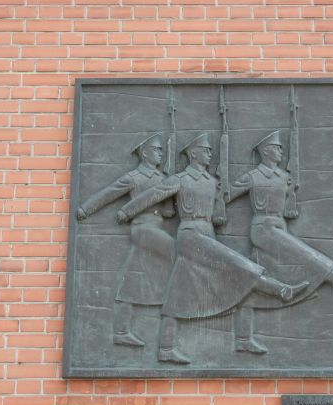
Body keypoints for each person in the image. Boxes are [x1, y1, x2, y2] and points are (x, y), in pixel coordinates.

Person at [117, 132, 309, 364]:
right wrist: (126, 211)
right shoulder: (180, 179)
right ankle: (280, 289)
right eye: (205, 151)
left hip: (207, 232)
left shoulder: (211, 182)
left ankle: (166, 348)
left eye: (210, 151)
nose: (210, 154)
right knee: (236, 264)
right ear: (193, 154)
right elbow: (153, 195)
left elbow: (226, 201)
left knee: (179, 291)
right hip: (190, 235)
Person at [225, 130, 333, 353]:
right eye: (277, 148)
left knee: (253, 283)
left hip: (280, 226)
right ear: (266, 152)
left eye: (281, 148)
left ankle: (242, 339)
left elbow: (289, 208)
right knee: (308, 256)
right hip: (263, 229)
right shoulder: (253, 176)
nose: (281, 151)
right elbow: (226, 196)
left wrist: (291, 190)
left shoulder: (283, 177)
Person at [76, 133, 176, 348]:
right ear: (145, 153)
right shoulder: (134, 177)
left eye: (161, 150)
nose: (161, 153)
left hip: (155, 229)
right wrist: (86, 209)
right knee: (178, 253)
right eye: (157, 150)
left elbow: (168, 213)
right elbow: (109, 193)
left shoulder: (162, 177)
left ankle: (121, 331)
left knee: (131, 280)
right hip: (143, 229)